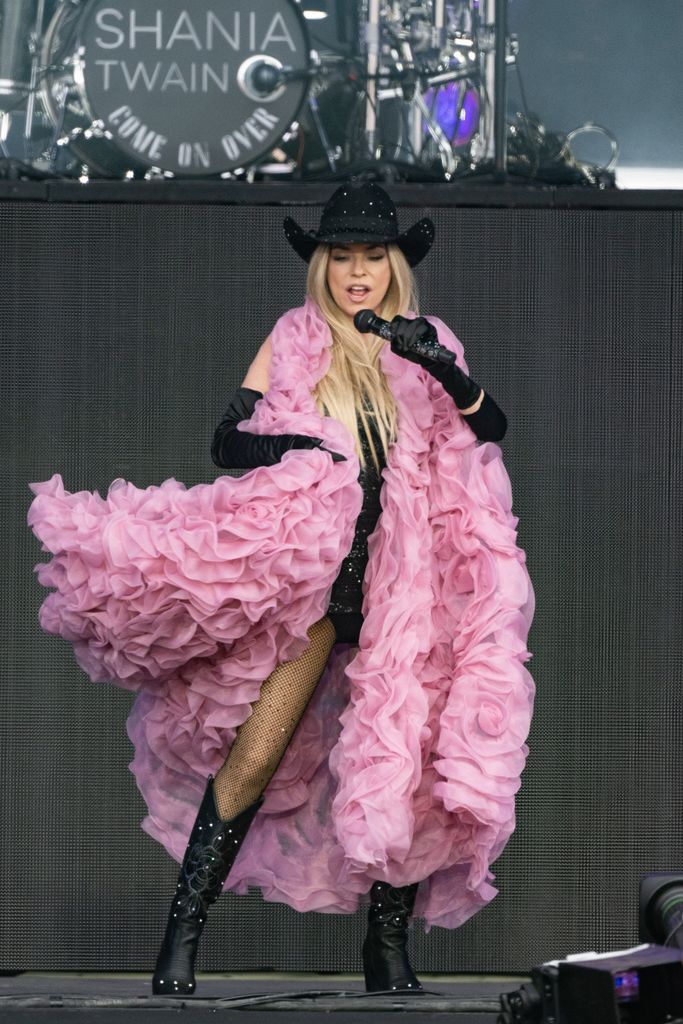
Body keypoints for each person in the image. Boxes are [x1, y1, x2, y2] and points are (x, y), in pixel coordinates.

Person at [28, 182, 534, 999]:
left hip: (409, 587)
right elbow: (228, 438)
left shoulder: (427, 340)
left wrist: (441, 368)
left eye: (372, 256)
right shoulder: (296, 338)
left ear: (395, 265)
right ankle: (180, 941)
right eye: (341, 257)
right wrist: (303, 444)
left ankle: (386, 948)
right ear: (323, 267)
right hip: (319, 586)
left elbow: (490, 430)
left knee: (400, 761)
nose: (357, 272)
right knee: (256, 754)